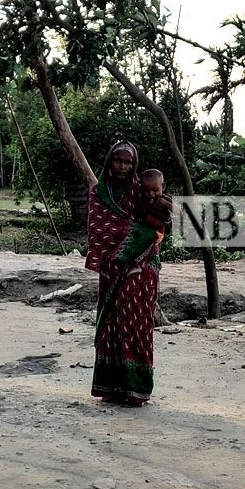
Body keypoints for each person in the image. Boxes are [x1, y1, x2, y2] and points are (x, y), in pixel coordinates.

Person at [85, 141, 163, 407]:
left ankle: (135, 389)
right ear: (109, 162)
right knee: (111, 327)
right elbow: (98, 230)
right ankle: (111, 387)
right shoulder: (98, 193)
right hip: (112, 270)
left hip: (141, 270)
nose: (122, 166)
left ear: (134, 165)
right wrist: (137, 233)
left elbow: (159, 225)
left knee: (135, 326)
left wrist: (146, 235)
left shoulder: (141, 191)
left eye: (128, 162)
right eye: (118, 160)